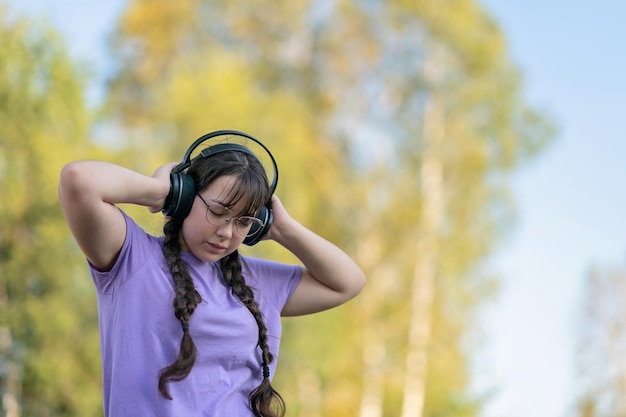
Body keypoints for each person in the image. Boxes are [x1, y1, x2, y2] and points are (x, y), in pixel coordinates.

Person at [58, 131, 366, 417]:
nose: (227, 232)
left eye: (244, 222)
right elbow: (78, 180)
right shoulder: (132, 259)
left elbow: (348, 282)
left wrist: (283, 229)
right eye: (217, 213)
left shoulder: (258, 281)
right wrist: (160, 191)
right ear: (185, 198)